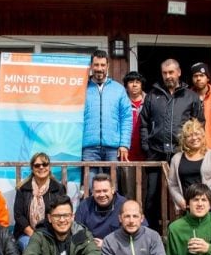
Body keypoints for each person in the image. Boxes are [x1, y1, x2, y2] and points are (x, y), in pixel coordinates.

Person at [139, 59, 204, 231]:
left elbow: (199, 124)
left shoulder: (191, 97)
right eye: (165, 73)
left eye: (171, 72)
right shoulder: (153, 95)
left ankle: (190, 230)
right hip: (155, 153)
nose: (168, 76)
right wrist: (146, 145)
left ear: (179, 72)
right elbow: (143, 123)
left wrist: (193, 149)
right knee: (152, 196)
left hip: (181, 152)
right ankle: (152, 233)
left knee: (186, 194)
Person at [82, 49, 133, 183]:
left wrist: (124, 144)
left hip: (113, 147)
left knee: (111, 187)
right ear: (91, 66)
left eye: (102, 65)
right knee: (90, 187)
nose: (99, 68)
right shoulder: (82, 88)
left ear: (108, 66)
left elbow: (126, 117)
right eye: (96, 65)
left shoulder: (118, 89)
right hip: (88, 147)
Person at [168, 119, 211, 214]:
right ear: (184, 139)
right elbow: (172, 184)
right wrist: (180, 201)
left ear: (202, 135)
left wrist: (203, 200)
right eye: (189, 135)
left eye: (197, 134)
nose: (194, 138)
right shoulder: (176, 158)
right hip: (188, 209)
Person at [13, 152, 66, 252]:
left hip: (52, 233)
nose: (41, 167)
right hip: (26, 233)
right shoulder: (22, 189)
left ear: (49, 167)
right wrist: (33, 235)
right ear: (32, 168)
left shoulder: (58, 188)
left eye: (44, 164)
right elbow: (18, 215)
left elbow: (61, 213)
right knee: (30, 246)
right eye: (37, 165)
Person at [74, 173, 146, 248]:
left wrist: (107, 244)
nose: (102, 195)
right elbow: (76, 232)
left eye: (105, 191)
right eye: (98, 191)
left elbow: (142, 232)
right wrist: (89, 243)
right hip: (91, 249)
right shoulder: (84, 206)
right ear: (93, 192)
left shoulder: (125, 205)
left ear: (112, 190)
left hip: (120, 250)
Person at [118, 71, 146, 199]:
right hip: (127, 153)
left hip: (145, 153)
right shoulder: (121, 103)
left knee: (145, 189)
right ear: (126, 85)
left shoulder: (150, 102)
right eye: (131, 82)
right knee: (127, 188)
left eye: (137, 82)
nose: (134, 85)